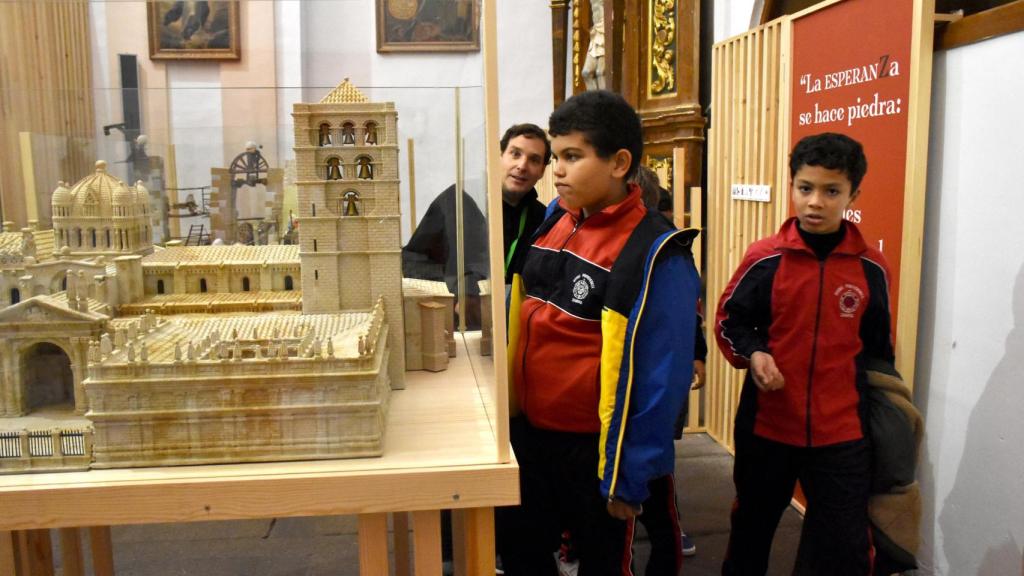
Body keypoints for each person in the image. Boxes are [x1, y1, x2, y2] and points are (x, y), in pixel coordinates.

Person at [501, 90, 700, 575]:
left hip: (593, 449)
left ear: (619, 163)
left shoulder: (657, 252)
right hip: (531, 434)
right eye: (558, 155)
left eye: (572, 157)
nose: (557, 170)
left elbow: (662, 380)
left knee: (604, 564)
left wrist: (629, 477)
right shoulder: (554, 219)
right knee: (522, 550)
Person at [715, 132, 893, 576]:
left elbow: (878, 354)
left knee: (842, 548)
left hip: (843, 435)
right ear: (792, 184)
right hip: (768, 426)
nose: (815, 202)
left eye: (831, 191)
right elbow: (729, 322)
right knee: (750, 534)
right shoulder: (764, 259)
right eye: (805, 188)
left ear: (853, 193)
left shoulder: (871, 268)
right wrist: (754, 354)